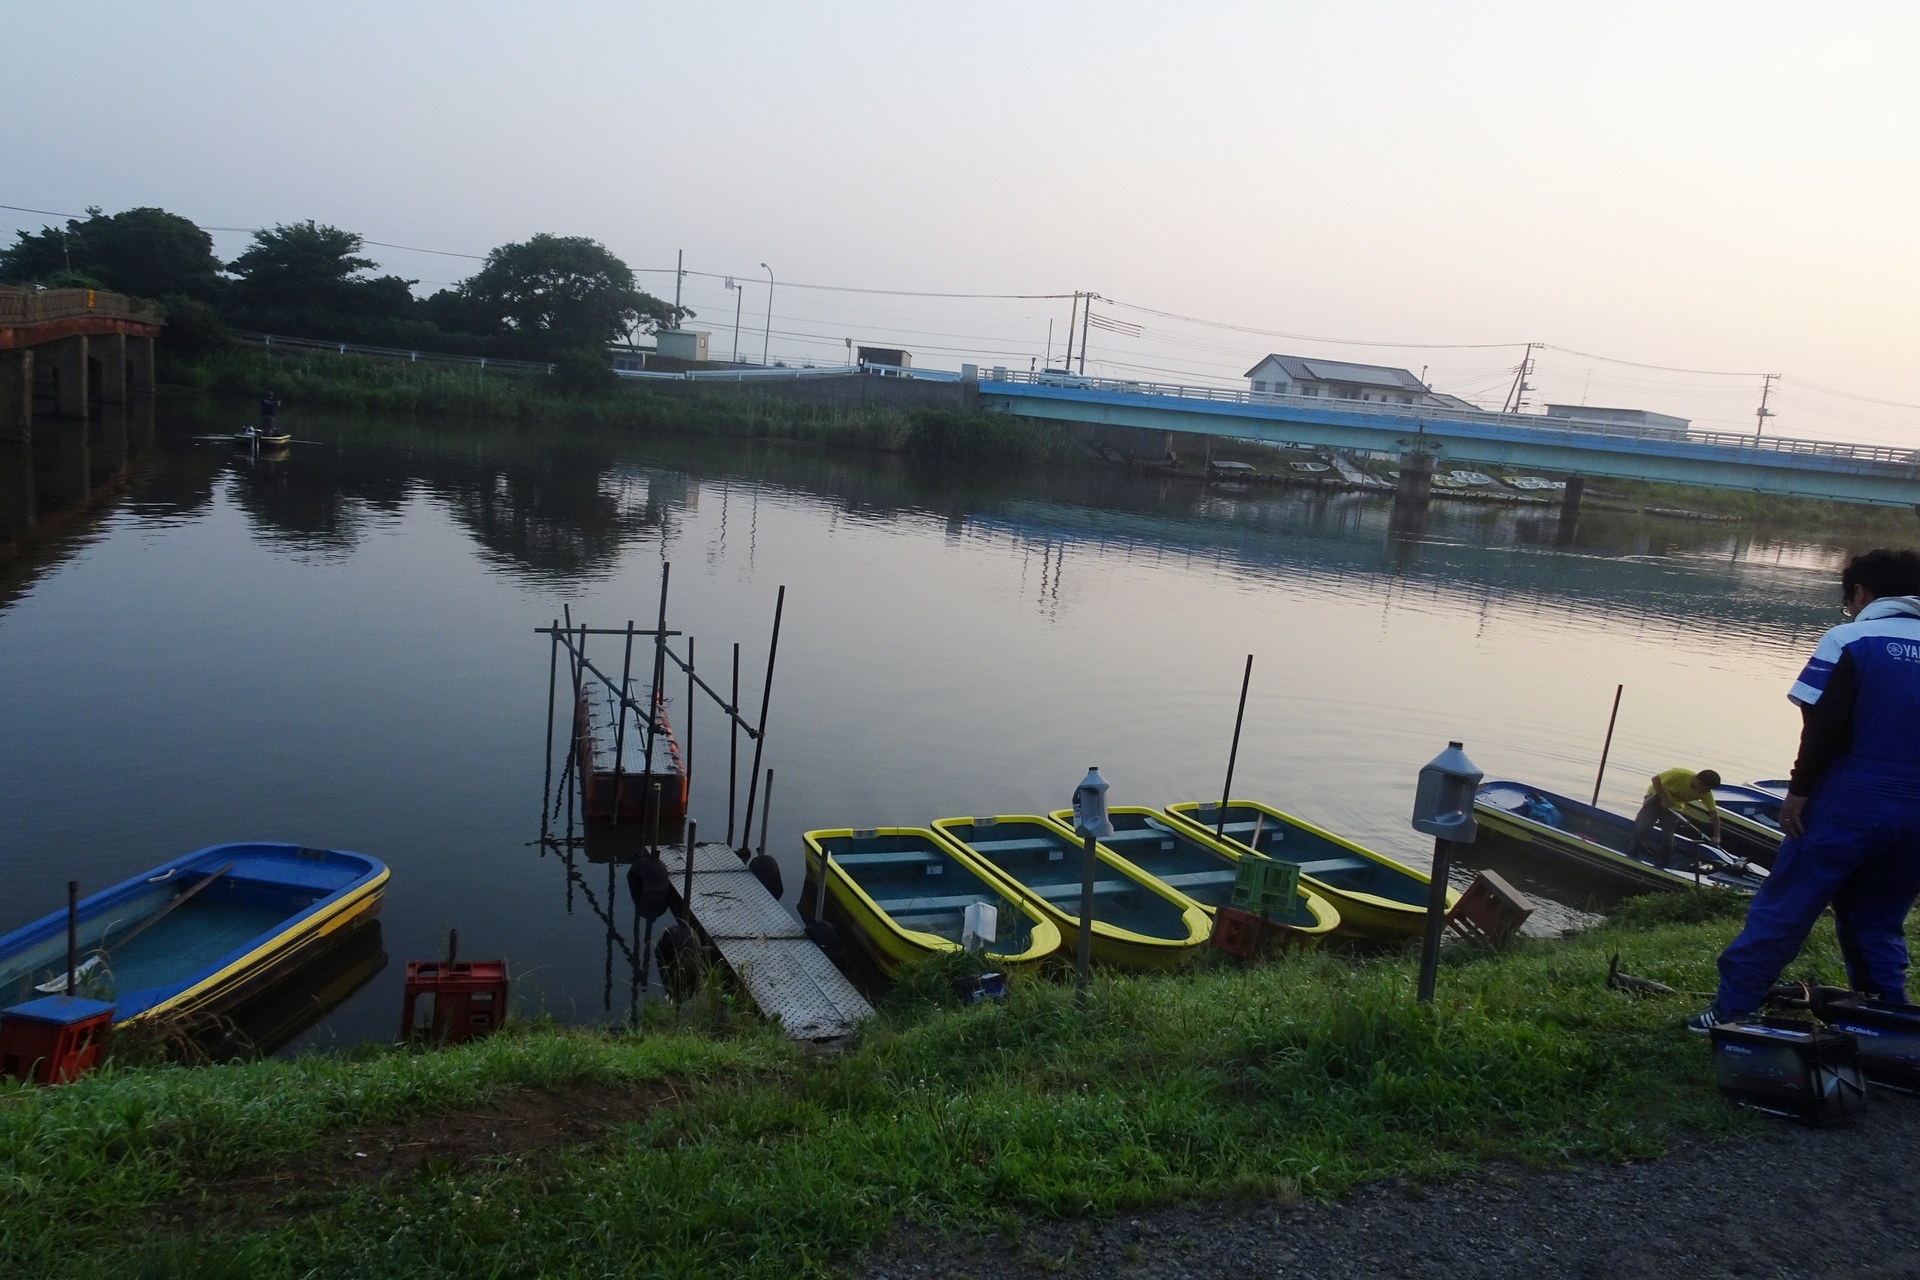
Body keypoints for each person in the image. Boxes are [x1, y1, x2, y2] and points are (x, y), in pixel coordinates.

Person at [1691, 548, 1920, 1030]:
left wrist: (1799, 789)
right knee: (1878, 917)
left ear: (1860, 593)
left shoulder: (1851, 639)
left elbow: (1822, 723)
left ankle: (1731, 1012)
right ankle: (1889, 1021)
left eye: (1849, 599)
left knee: (1786, 907)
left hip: (1851, 797)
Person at [1632, 767, 1722, 865]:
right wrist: (1664, 799)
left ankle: (1663, 862)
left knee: (1667, 836)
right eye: (1707, 789)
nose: (1707, 792)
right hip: (1656, 796)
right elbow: (1655, 779)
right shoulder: (1679, 774)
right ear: (1699, 783)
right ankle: (1632, 854)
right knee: (1643, 828)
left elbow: (1713, 813)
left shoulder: (1706, 794)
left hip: (1674, 806)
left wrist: (1716, 836)